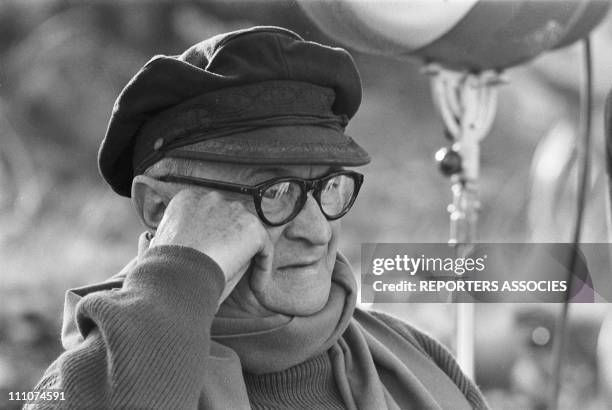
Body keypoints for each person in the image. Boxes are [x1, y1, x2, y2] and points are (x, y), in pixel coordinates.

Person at [30, 26, 488, 409]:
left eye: (328, 185)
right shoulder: (91, 378)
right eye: (276, 191)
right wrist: (177, 275)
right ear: (159, 207)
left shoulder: (416, 360)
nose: (315, 229)